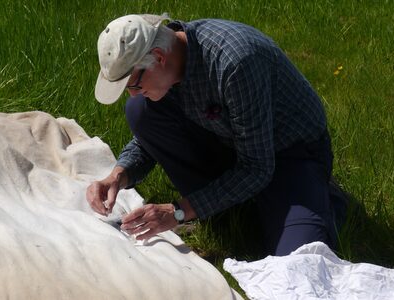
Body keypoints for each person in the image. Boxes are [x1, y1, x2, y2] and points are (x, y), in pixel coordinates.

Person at [86, 13, 346, 256]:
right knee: (139, 110)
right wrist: (118, 176)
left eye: (133, 84)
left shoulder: (235, 64)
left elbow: (257, 167)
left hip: (290, 154)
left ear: (158, 57)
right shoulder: (171, 64)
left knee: (300, 258)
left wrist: (176, 212)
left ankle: (316, 195)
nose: (132, 92)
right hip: (233, 144)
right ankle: (231, 207)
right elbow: (148, 142)